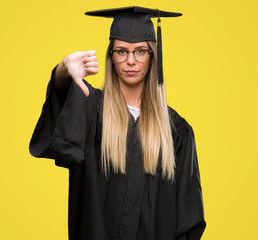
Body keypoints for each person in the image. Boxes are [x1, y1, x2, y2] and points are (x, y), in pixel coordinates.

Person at [29, 6, 206, 240]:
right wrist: (63, 69)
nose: (130, 61)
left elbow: (188, 217)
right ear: (111, 57)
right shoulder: (92, 110)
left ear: (153, 56)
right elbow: (62, 109)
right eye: (121, 51)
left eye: (140, 51)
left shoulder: (175, 131)